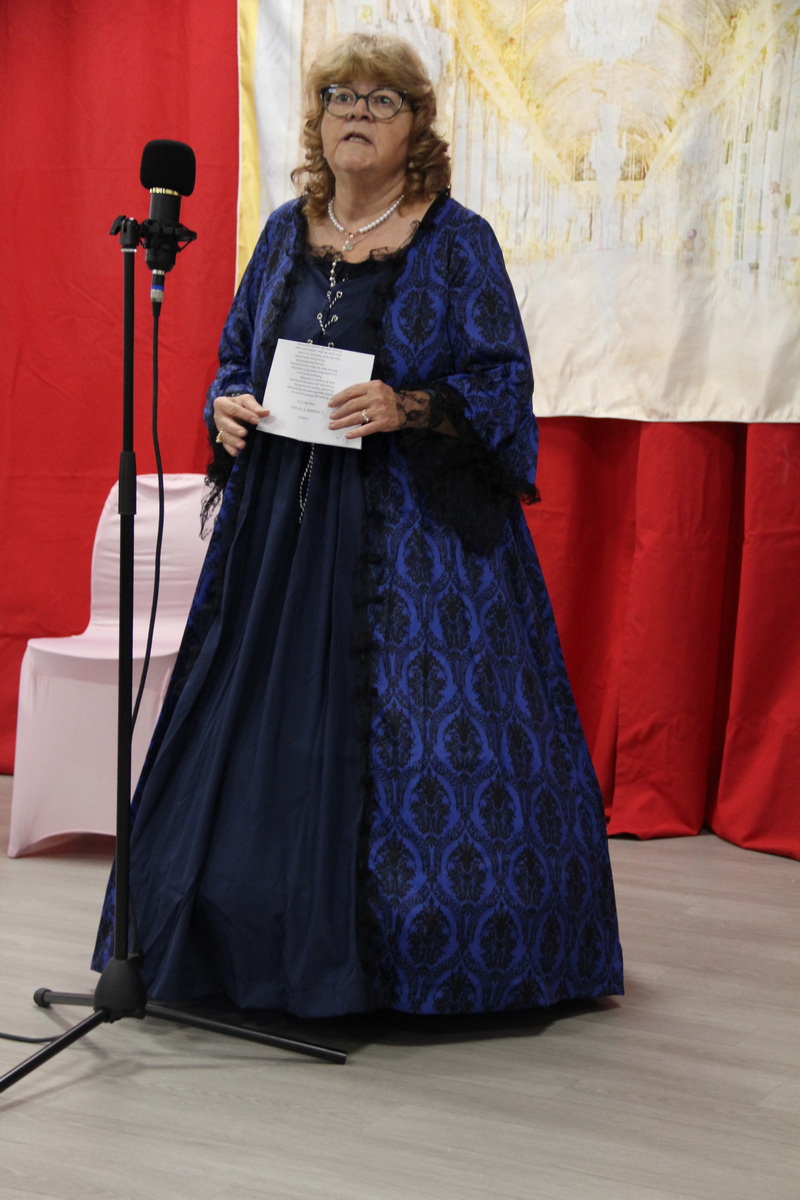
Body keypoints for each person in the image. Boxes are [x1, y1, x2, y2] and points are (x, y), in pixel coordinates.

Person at [94, 32, 623, 1018]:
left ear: (416, 125)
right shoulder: (282, 232)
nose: (357, 112)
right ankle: (228, 946)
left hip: (413, 546)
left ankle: (405, 963)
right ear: (318, 117)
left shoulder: (456, 240)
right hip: (276, 537)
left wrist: (405, 404)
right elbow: (237, 354)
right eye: (340, 94)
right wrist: (226, 404)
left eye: (382, 99)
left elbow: (501, 382)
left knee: (420, 745)